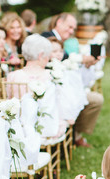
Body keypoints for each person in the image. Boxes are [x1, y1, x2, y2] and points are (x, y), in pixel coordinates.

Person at [41, 12, 104, 148]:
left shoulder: (65, 43)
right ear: (59, 22)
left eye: (73, 29)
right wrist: (82, 59)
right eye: (69, 27)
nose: (71, 31)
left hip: (67, 88)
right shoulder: (46, 38)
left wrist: (86, 63)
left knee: (92, 99)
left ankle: (76, 134)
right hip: (53, 92)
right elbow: (64, 58)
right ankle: (72, 137)